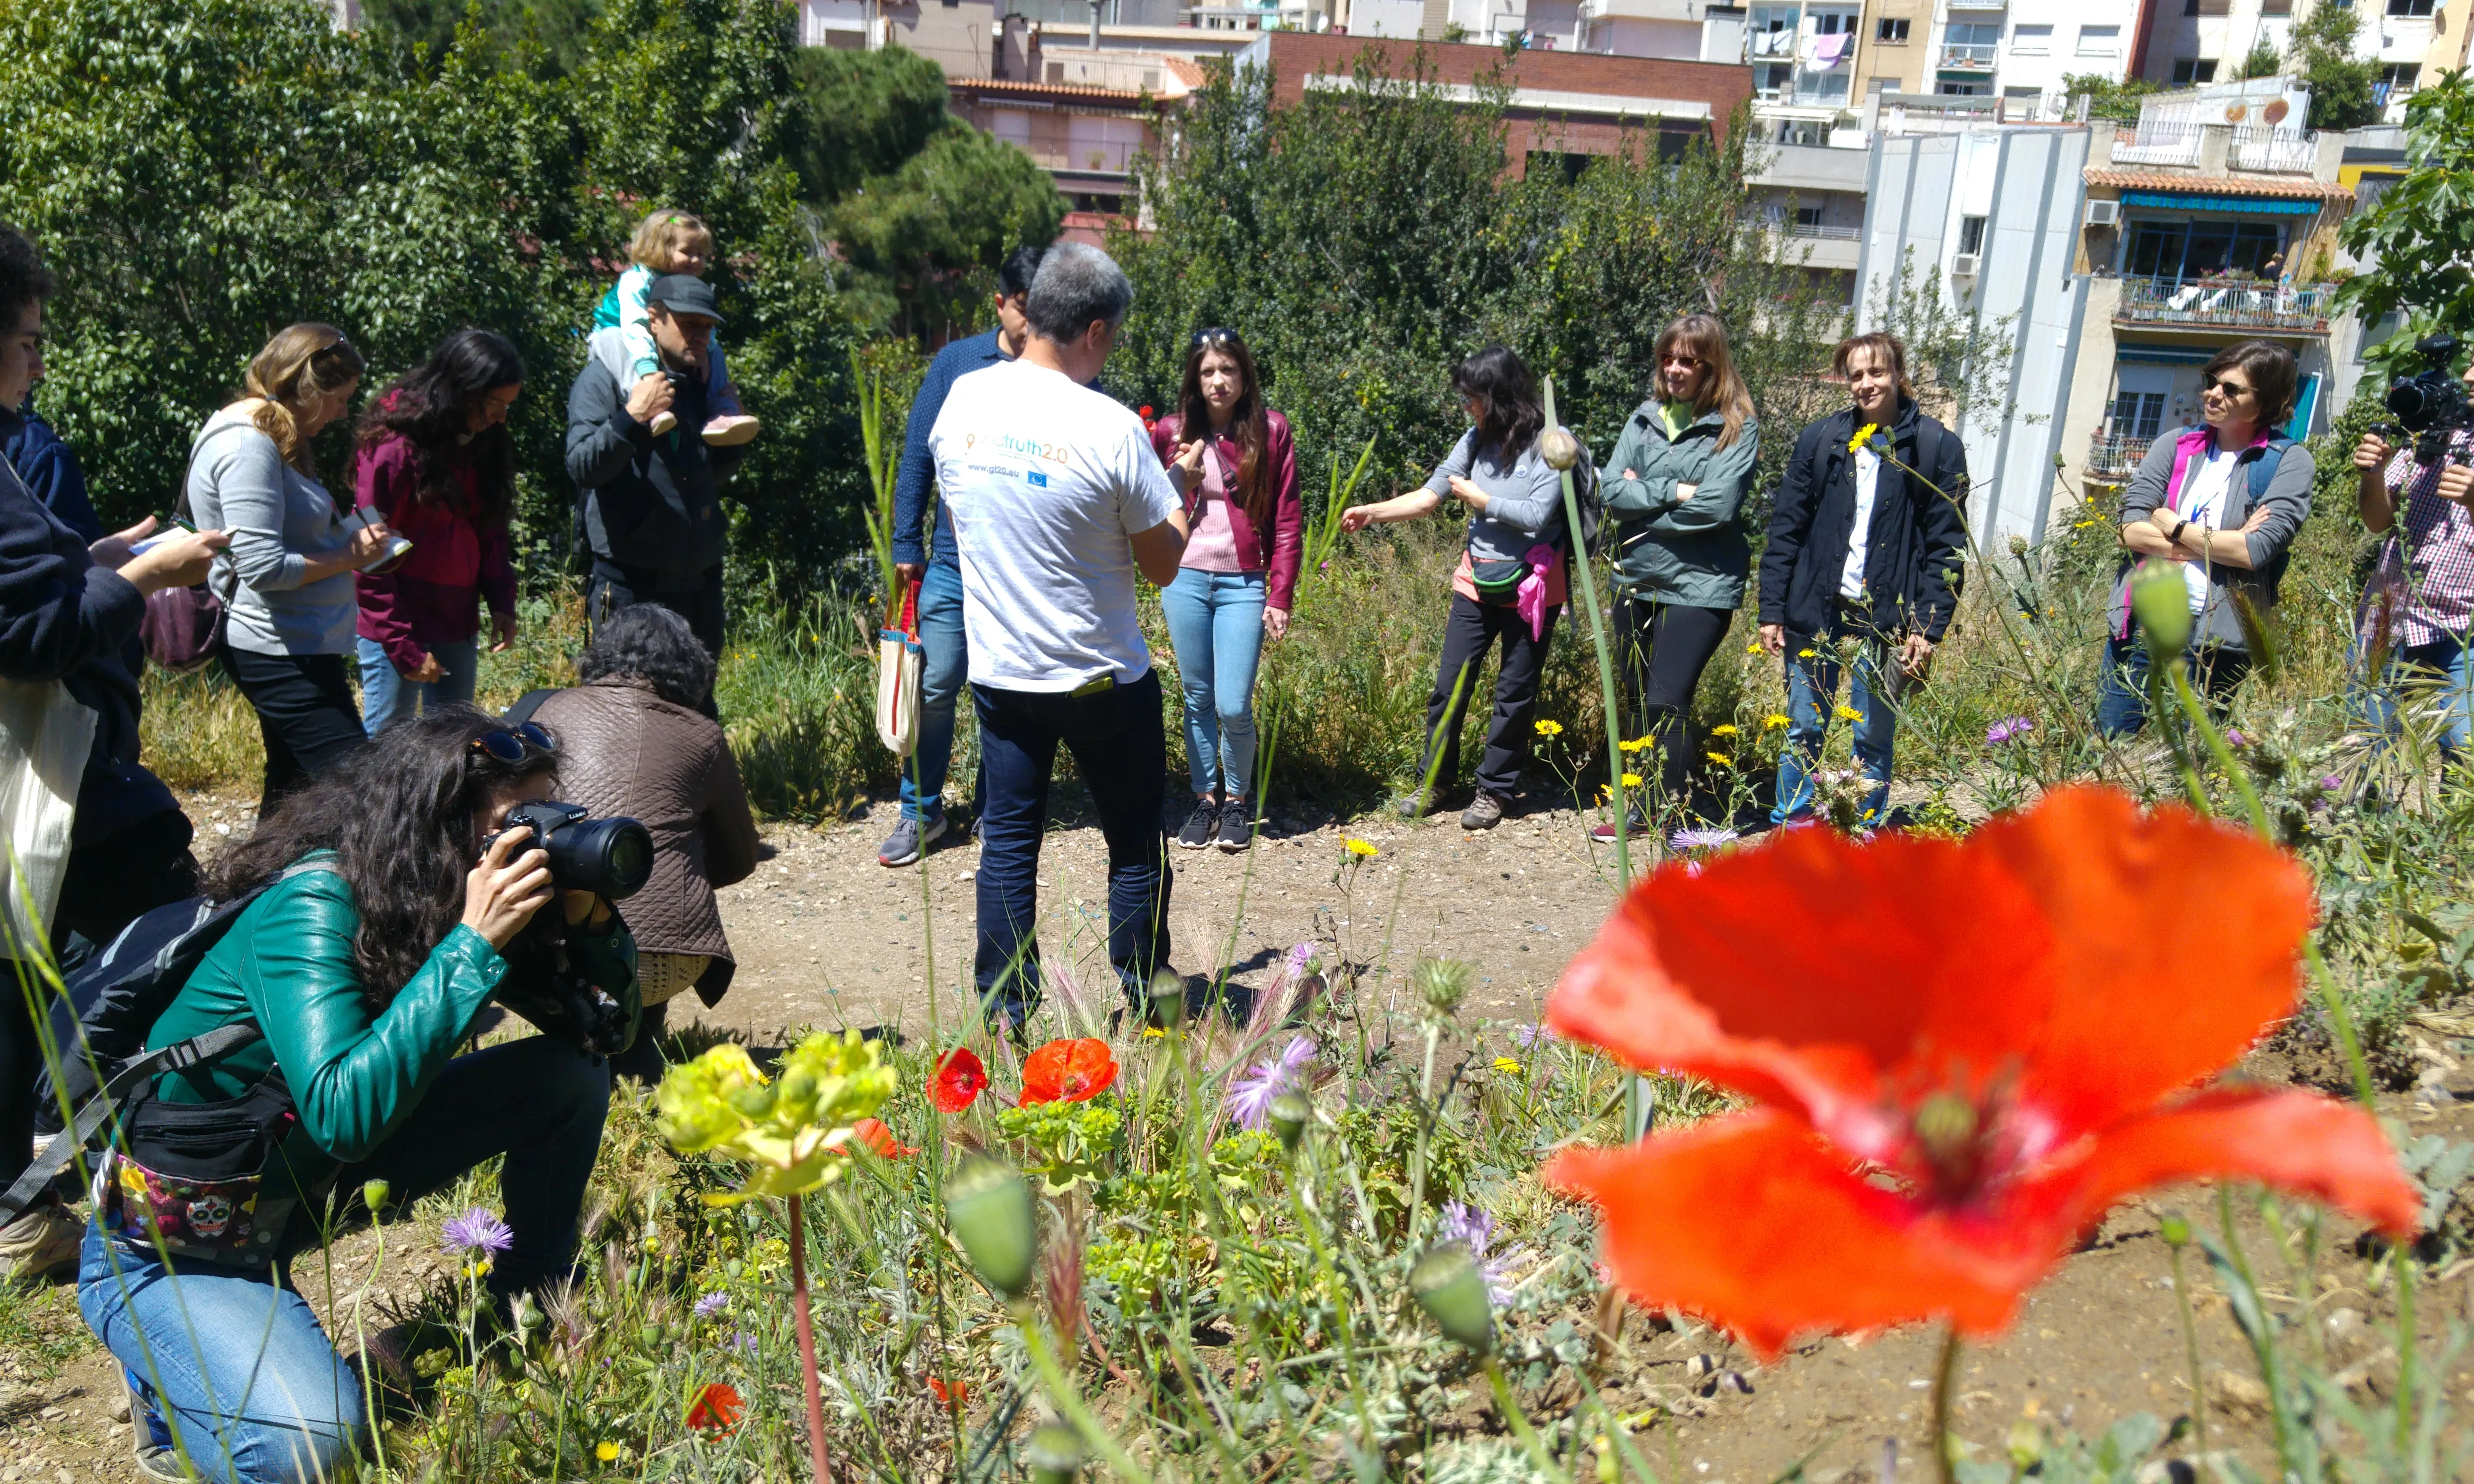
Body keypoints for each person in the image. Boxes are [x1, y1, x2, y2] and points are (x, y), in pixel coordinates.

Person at [77, 709, 635, 1484]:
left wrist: (591, 921)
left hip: (302, 1184)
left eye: (549, 817)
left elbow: (608, 1035)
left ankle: (526, 1303)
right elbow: (344, 1116)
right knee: (312, 1450)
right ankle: (172, 1379)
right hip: (180, 1247)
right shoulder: (314, 908)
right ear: (437, 828)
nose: (535, 844)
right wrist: (472, 947)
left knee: (567, 1079)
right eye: (516, 825)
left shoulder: (435, 899)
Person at [0, 224, 229, 1285]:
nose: (41, 362)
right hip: (42, 773)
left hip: (62, 774)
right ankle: (59, 1210)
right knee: (83, 967)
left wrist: (91, 557)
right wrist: (145, 577)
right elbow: (29, 634)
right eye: (32, 341)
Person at [927, 242, 1189, 1028]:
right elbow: (1164, 565)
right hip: (1099, 678)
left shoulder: (962, 402)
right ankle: (1145, 997)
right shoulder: (1109, 427)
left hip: (1004, 675)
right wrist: (1181, 496)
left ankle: (1005, 1013)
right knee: (1135, 843)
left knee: (1008, 842)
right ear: (1097, 330)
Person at [1340, 346, 1574, 832]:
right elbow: (1429, 497)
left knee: (1514, 693)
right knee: (1449, 688)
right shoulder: (1475, 439)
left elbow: (1536, 516)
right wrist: (1371, 513)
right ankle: (1436, 782)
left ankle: (1495, 790)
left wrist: (1479, 498)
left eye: (1473, 397)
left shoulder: (1553, 442)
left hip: (1533, 586)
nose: (1466, 405)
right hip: (1476, 581)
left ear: (1499, 396)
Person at [530, 605, 758, 1082]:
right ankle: (635, 1044)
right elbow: (739, 859)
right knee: (652, 916)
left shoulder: (546, 712)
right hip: (671, 957)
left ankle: (580, 1050)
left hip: (550, 945)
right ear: (691, 668)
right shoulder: (703, 735)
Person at [1758, 331, 1969, 828]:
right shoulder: (1821, 440)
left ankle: (1862, 832)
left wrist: (1928, 627)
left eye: (1877, 372)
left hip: (1888, 621)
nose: (1866, 383)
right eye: (1856, 375)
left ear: (1898, 374)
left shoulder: (1936, 447)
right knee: (1803, 728)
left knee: (1873, 734)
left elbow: (1947, 547)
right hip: (1817, 610)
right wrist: (1771, 608)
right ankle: (1793, 828)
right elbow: (1786, 527)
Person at [878, 244, 1046, 867]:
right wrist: (906, 544)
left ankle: (994, 808)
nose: (1033, 326)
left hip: (1025, 568)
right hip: (951, 562)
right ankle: (920, 811)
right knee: (935, 685)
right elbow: (918, 455)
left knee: (1007, 690)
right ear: (1000, 304)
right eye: (1024, 310)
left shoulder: (1064, 372)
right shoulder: (956, 363)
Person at [187, 324, 394, 815]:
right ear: (307, 390)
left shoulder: (277, 438)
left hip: (297, 642)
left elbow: (287, 536)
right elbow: (262, 567)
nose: (345, 412)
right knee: (363, 792)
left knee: (292, 790)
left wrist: (350, 538)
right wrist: (353, 558)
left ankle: (253, 887)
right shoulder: (248, 446)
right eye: (340, 399)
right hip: (274, 647)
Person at [1591, 313, 1761, 841]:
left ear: (1713, 366)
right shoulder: (1644, 418)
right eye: (1668, 358)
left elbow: (1717, 508)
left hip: (1701, 585)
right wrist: (1673, 490)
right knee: (1639, 694)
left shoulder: (1737, 427)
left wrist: (1643, 500)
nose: (1675, 369)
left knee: (1667, 696)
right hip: (1635, 578)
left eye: (1689, 360)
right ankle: (1643, 807)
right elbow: (1609, 493)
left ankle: (1675, 810)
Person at [2099, 339, 2313, 737]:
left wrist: (2173, 525)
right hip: (2142, 619)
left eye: (2231, 389)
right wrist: (2212, 545)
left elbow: (2254, 551)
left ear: (2265, 400)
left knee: (2192, 760)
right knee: (2113, 744)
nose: (2213, 393)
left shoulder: (2289, 461)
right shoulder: (2176, 444)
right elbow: (2129, 530)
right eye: (2212, 381)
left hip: (2218, 639)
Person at [1149, 327, 1302, 853]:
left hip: (1244, 581)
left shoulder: (1272, 431)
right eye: (1208, 371)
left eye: (1228, 371)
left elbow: (1287, 522)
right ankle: (1206, 798)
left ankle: (1238, 800)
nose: (1218, 381)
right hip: (1184, 576)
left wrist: (1280, 596)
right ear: (1195, 376)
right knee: (1196, 697)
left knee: (1233, 703)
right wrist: (1180, 482)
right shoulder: (1170, 432)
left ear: (1244, 376)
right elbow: (1147, 505)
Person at [567, 275, 748, 679]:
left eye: (708, 326)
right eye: (689, 323)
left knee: (697, 707)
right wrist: (631, 417)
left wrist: (732, 440)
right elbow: (582, 465)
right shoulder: (605, 379)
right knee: (624, 706)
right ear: (653, 318)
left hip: (699, 582)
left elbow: (708, 478)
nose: (701, 335)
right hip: (631, 585)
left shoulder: (701, 386)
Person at [352, 328, 526, 733]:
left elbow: (490, 526)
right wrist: (402, 646)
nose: (501, 417)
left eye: (507, 406)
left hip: (456, 619)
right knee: (386, 746)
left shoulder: (484, 442)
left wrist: (502, 598)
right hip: (396, 620)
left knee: (453, 744)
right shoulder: (393, 447)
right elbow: (369, 554)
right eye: (495, 404)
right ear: (463, 391)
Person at [2348, 357, 2474, 758]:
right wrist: (2374, 474)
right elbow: (2377, 520)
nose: (2469, 376)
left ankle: (2452, 824)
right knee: (2366, 747)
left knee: (2464, 750)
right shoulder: (2436, 434)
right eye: (2470, 364)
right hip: (2390, 619)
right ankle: (2361, 817)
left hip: (2461, 632)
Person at [590, 208, 758, 445]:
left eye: (701, 254)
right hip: (620, 336)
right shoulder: (637, 280)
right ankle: (649, 403)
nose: (696, 260)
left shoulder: (688, 286)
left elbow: (705, 325)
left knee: (716, 351)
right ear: (660, 250)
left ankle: (722, 410)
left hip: (654, 342)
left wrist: (703, 353)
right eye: (687, 252)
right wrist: (648, 369)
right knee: (614, 339)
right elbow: (635, 325)